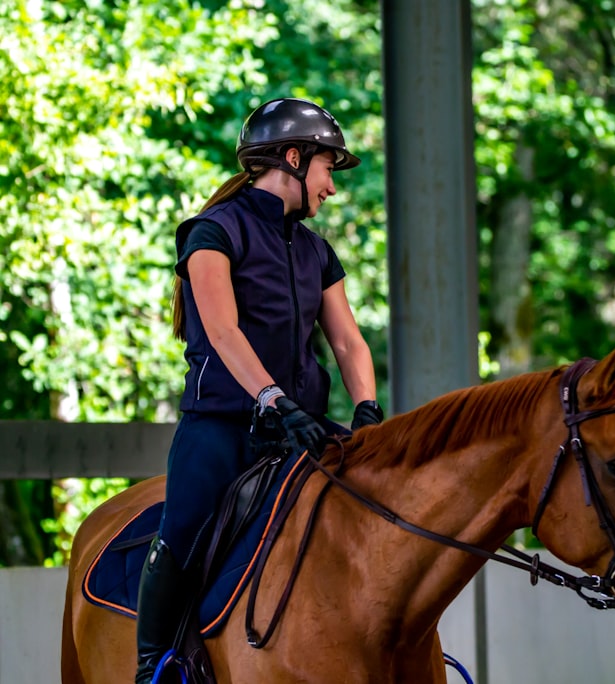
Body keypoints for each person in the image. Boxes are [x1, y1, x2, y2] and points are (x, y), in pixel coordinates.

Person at [134, 97, 384, 683]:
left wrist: (368, 408)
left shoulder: (318, 251)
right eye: (328, 169)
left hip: (301, 432)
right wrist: (271, 398)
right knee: (183, 528)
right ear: (293, 159)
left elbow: (348, 342)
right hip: (221, 428)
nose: (331, 187)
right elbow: (222, 330)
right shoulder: (212, 232)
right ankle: (152, 668)